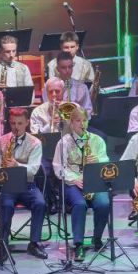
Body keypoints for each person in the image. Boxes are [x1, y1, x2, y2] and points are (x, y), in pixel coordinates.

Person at [53, 105, 110, 261]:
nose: (82, 124)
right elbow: (58, 167)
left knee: (104, 203)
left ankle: (97, 238)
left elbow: (106, 161)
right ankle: (78, 244)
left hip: (94, 181)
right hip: (73, 183)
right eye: (78, 121)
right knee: (79, 204)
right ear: (71, 123)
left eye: (84, 120)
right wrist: (74, 179)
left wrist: (98, 161)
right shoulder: (64, 142)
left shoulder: (97, 140)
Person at [0, 108, 48, 260]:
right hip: (7, 185)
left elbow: (33, 170)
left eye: (20, 123)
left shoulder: (35, 142)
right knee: (6, 205)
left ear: (27, 123)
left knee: (40, 203)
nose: (16, 127)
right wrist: (0, 169)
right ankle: (4, 242)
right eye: (13, 123)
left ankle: (34, 243)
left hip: (27, 184)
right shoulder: (1, 140)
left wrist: (17, 165)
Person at [54, 51, 93, 117]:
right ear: (57, 69)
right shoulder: (50, 87)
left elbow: (88, 111)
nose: (67, 70)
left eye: (70, 67)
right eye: (63, 67)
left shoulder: (82, 87)